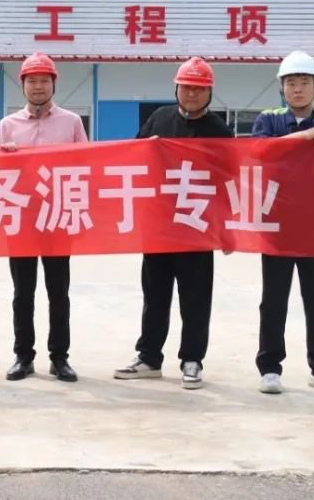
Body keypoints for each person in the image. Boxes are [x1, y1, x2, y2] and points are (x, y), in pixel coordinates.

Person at [113, 57, 233, 390]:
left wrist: (226, 229)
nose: (192, 94)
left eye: (199, 89)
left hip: (197, 228)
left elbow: (230, 183)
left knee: (195, 298)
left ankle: (192, 360)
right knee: (155, 295)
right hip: (159, 226)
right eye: (187, 87)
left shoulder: (220, 132)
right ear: (176, 88)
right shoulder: (159, 119)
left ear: (209, 92)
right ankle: (149, 357)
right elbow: (134, 160)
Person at [250, 50, 314, 395]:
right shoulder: (268, 120)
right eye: (291, 82)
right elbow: (258, 152)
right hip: (277, 228)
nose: (297, 89)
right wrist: (300, 137)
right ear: (282, 87)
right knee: (273, 300)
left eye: (304, 82)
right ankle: (269, 368)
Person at [0, 52, 87, 383]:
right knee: (23, 293)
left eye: (44, 80)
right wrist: (4, 158)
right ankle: (23, 356)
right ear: (22, 85)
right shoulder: (8, 125)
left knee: (58, 291)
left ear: (54, 84)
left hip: (58, 216)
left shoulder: (72, 123)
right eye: (31, 81)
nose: (38, 87)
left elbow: (86, 166)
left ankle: (60, 358)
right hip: (21, 218)